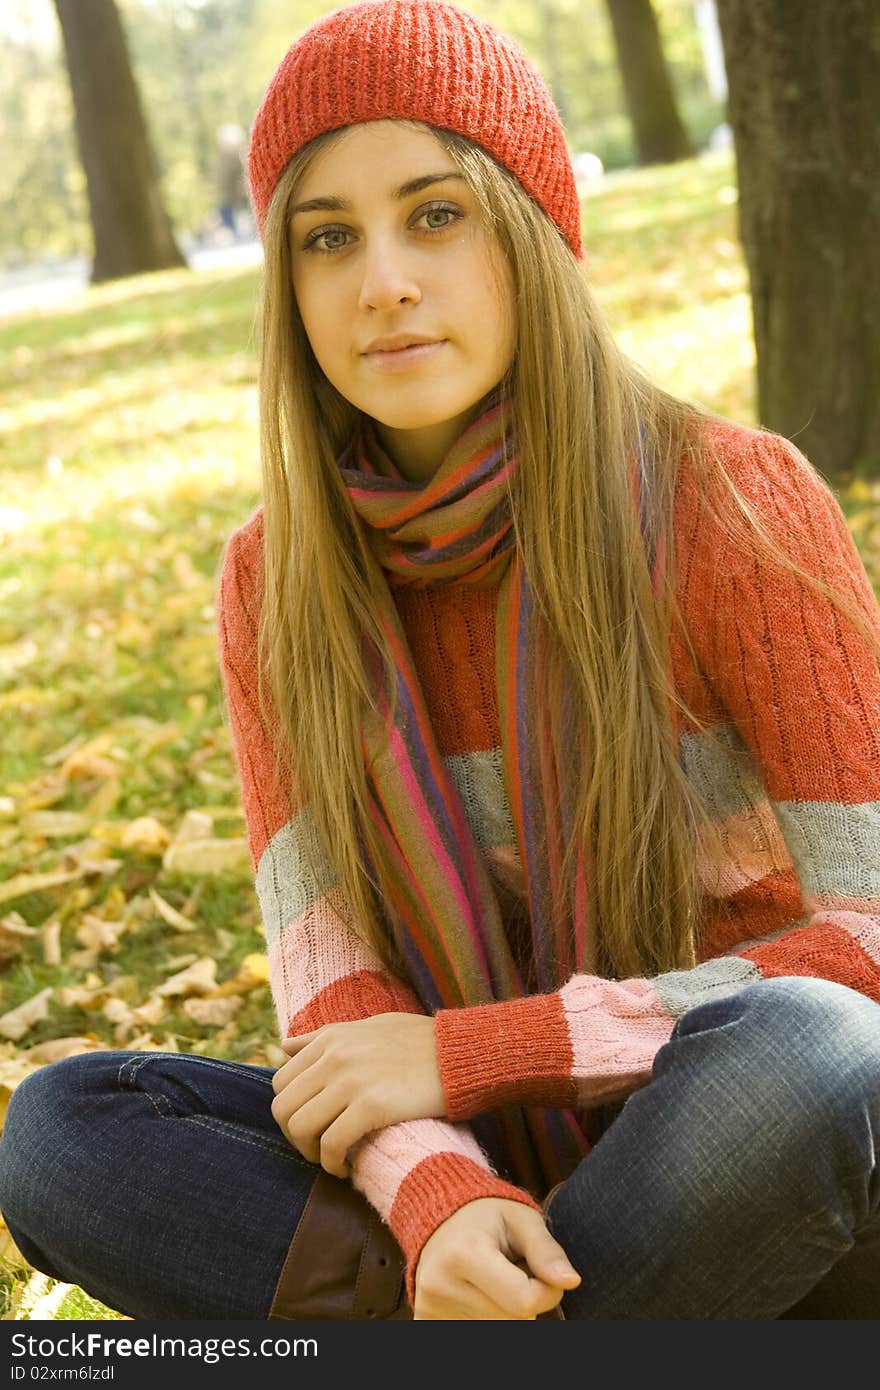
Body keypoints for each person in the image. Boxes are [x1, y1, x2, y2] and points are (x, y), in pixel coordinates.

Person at [1, 0, 879, 1323]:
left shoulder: (731, 500)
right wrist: (439, 1196)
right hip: (482, 1183)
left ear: (532, 233)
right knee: (68, 1128)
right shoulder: (273, 582)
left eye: (438, 213)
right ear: (288, 290)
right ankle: (528, 1307)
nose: (385, 280)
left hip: (737, 1151)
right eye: (328, 238)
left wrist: (468, 1057)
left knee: (814, 1057)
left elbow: (866, 940)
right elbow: (332, 992)